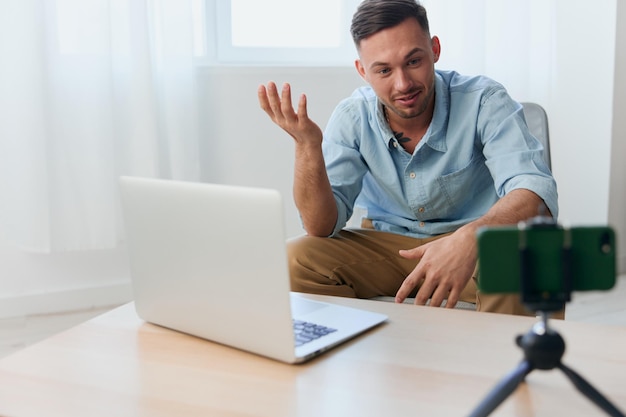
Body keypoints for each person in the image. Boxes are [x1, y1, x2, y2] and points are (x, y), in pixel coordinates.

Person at [257, 0, 558, 315]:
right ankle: (350, 358)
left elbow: (536, 193)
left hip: (473, 254)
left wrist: (474, 234)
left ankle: (501, 363)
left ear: (435, 50)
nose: (403, 84)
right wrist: (307, 148)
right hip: (387, 249)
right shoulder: (352, 116)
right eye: (384, 70)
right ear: (363, 71)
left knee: (531, 262)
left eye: (413, 61)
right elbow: (320, 228)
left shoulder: (485, 101)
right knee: (296, 259)